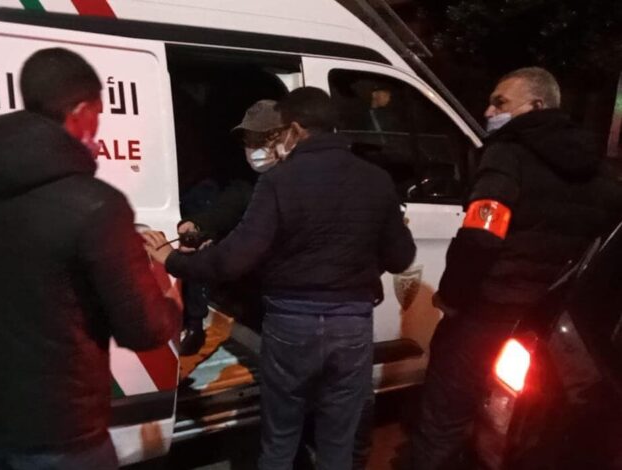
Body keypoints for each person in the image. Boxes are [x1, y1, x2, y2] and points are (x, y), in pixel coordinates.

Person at [144, 87, 416, 470]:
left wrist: (172, 259)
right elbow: (401, 256)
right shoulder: (376, 180)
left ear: (295, 129)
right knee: (338, 440)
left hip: (292, 324)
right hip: (352, 323)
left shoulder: (279, 182)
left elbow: (232, 260)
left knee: (280, 439)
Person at [0, 48, 181, 470]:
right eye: (98, 113)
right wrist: (172, 298)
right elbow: (144, 330)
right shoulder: (96, 205)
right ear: (80, 112)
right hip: (61, 431)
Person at [408, 67, 622, 469]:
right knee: (516, 431)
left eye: (500, 102)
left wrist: (452, 297)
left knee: (444, 418)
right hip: (552, 327)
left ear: (537, 105)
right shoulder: (600, 172)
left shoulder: (507, 155)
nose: (489, 112)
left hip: (488, 313)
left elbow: (481, 236)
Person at [177, 99, 286, 355]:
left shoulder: (301, 179)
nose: (253, 148)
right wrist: (200, 224)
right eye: (249, 140)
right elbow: (229, 206)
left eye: (261, 139)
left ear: (284, 136)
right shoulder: (250, 181)